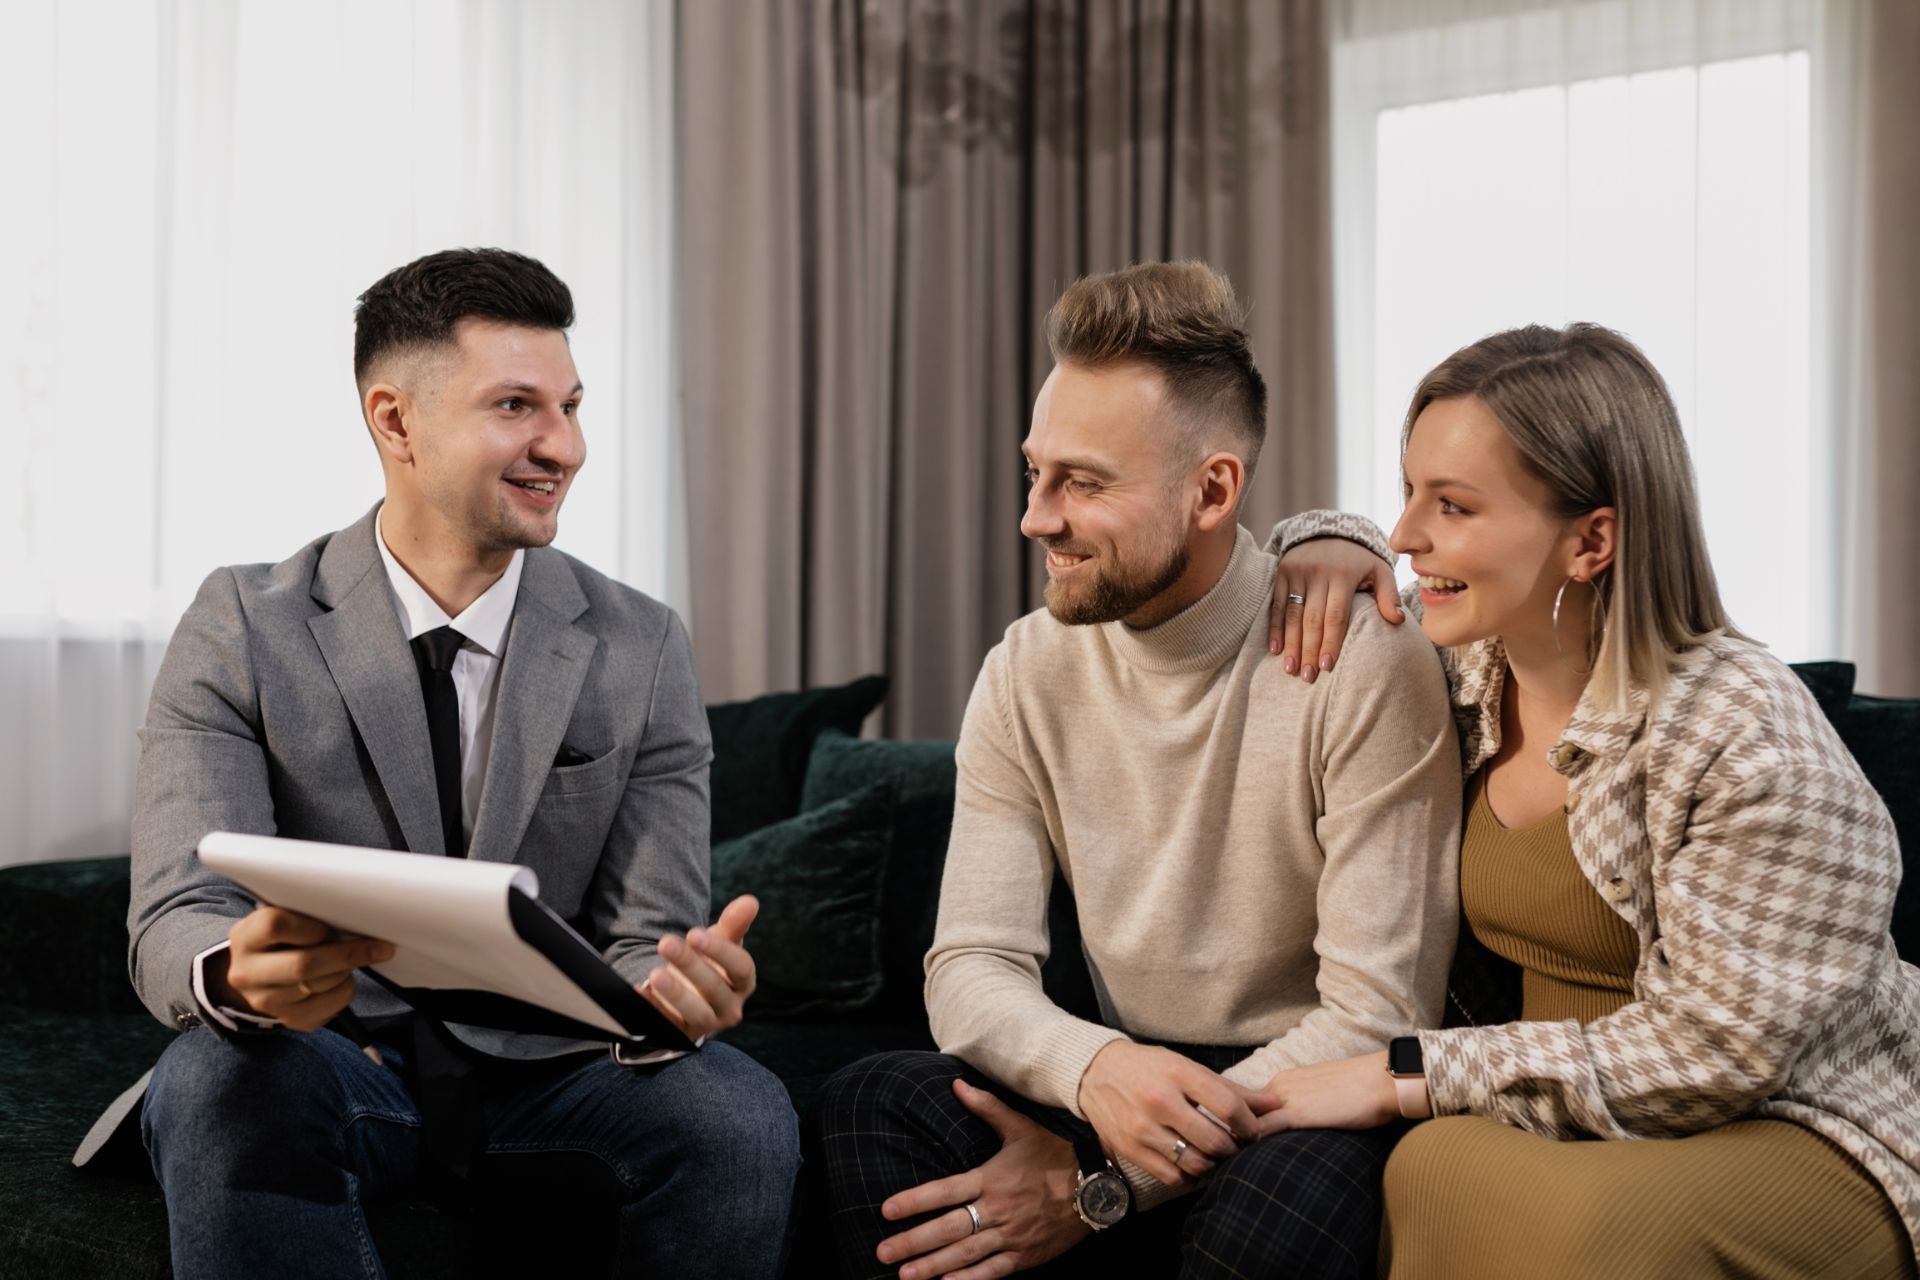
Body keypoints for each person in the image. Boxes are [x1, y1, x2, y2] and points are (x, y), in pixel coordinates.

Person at [79, 248, 801, 1278]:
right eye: (517, 405)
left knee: (739, 1109)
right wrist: (239, 971)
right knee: (217, 1077)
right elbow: (176, 912)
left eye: (571, 404)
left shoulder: (642, 644)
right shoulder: (243, 622)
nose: (565, 445)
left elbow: (648, 935)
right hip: (327, 1060)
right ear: (395, 421)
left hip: (559, 1074)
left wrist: (673, 992)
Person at [808, 261, 1462, 1279]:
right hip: (1125, 1073)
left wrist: (1100, 1181)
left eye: (1083, 482)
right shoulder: (1026, 668)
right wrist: (1097, 1067)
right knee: (871, 1106)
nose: (1035, 516)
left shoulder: (1361, 659)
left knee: (1281, 1200)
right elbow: (970, 966)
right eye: (1036, 471)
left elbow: (1378, 1015)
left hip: (1303, 1090)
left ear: (1212, 490)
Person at [1260, 322, 1920, 1277]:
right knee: (1435, 1168)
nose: (1407, 535)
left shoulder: (1747, 732)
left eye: (1451, 504)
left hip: (1795, 1124)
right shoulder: (1462, 680)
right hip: (1560, 1116)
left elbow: (1720, 1053)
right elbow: (1293, 595)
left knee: (1584, 1230)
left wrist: (1409, 1075)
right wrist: (1329, 538)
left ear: (1592, 540)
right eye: (1407, 493)